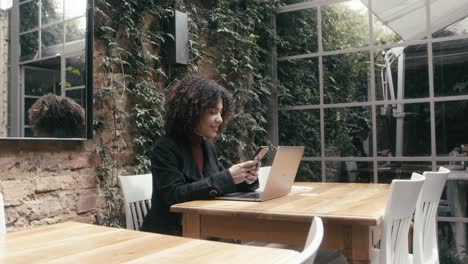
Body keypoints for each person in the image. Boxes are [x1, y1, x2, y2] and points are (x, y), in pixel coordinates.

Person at [141, 75, 260, 235]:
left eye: (221, 112)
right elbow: (175, 195)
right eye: (213, 112)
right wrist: (228, 176)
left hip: (204, 229)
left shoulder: (207, 147)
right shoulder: (166, 148)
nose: (219, 119)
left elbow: (219, 184)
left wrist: (246, 178)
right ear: (192, 113)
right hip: (171, 234)